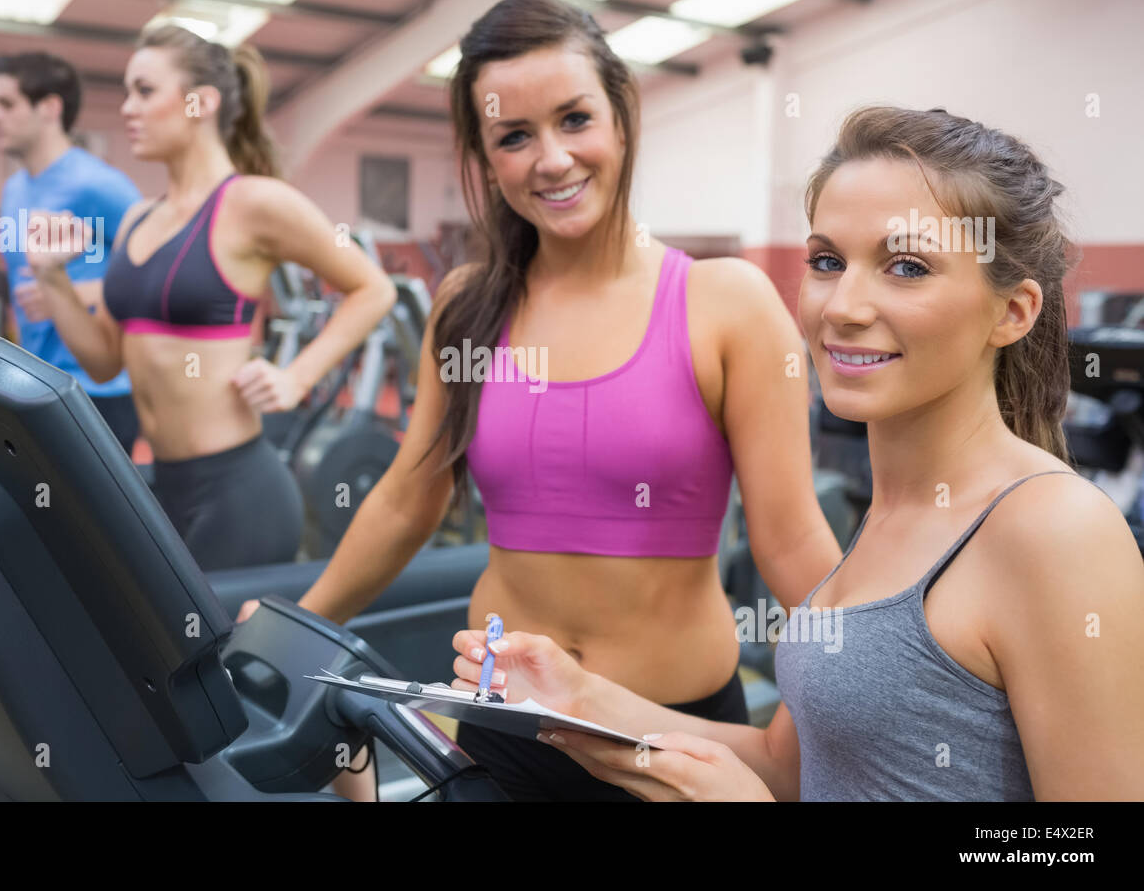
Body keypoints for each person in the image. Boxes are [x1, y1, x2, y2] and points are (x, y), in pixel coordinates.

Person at [239, 0, 843, 801]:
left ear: (622, 119)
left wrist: (871, 678)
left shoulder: (725, 301)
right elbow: (406, 501)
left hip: (668, 735)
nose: (550, 159)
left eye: (574, 120)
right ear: (486, 158)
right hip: (502, 724)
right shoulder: (465, 306)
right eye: (513, 137)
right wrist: (298, 626)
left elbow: (792, 540)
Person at [451, 106, 1144, 801]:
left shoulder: (1054, 530)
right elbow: (793, 768)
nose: (842, 305)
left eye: (906, 267)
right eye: (826, 261)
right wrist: (579, 698)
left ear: (1012, 312)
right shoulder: (888, 519)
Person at [22, 24, 396, 574]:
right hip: (165, 489)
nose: (128, 108)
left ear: (202, 102)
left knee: (219, 660)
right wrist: (52, 279)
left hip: (239, 494)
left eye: (145, 91)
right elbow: (103, 364)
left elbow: (374, 288)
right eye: (128, 92)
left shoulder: (252, 203)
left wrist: (298, 376)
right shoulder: (136, 219)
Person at [0, 52, 142, 453]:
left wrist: (74, 296)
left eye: (5, 103)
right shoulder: (15, 189)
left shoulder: (99, 185)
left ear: (49, 108)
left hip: (99, 393)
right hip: (38, 384)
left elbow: (159, 274)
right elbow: (26, 298)